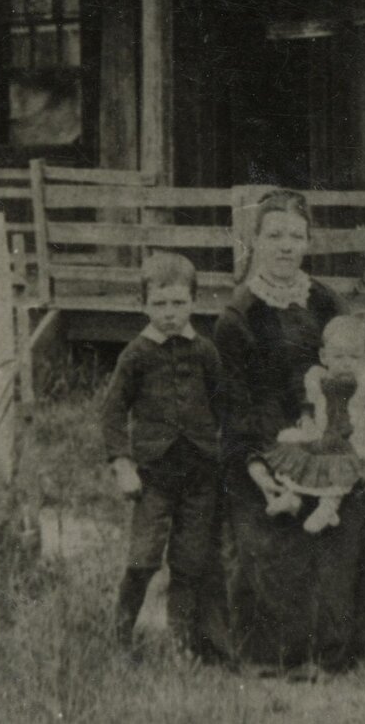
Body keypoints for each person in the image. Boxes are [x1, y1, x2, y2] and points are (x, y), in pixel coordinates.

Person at [215, 188, 365, 673]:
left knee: (350, 516)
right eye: (274, 236)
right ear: (255, 241)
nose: (286, 246)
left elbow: (361, 374)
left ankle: (341, 650)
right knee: (270, 533)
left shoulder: (327, 302)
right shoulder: (239, 316)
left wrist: (364, 425)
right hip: (265, 447)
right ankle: (280, 656)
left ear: (308, 242)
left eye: (295, 236)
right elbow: (235, 407)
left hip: (330, 439)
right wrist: (258, 469)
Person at [98, 251, 225, 656]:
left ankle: (180, 642)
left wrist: (225, 450)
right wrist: (122, 463)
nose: (169, 314)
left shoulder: (205, 351)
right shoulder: (136, 355)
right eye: (159, 304)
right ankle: (119, 636)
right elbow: (113, 411)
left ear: (194, 302)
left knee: (189, 562)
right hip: (153, 475)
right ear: (143, 305)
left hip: (201, 474)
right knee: (143, 559)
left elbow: (225, 404)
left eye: (178, 303)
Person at [261, 314, 365, 534]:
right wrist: (306, 419)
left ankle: (329, 507)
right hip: (322, 433)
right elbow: (309, 403)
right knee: (304, 461)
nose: (346, 362)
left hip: (350, 436)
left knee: (341, 468)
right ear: (324, 356)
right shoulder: (316, 378)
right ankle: (292, 497)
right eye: (338, 356)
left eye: (354, 356)